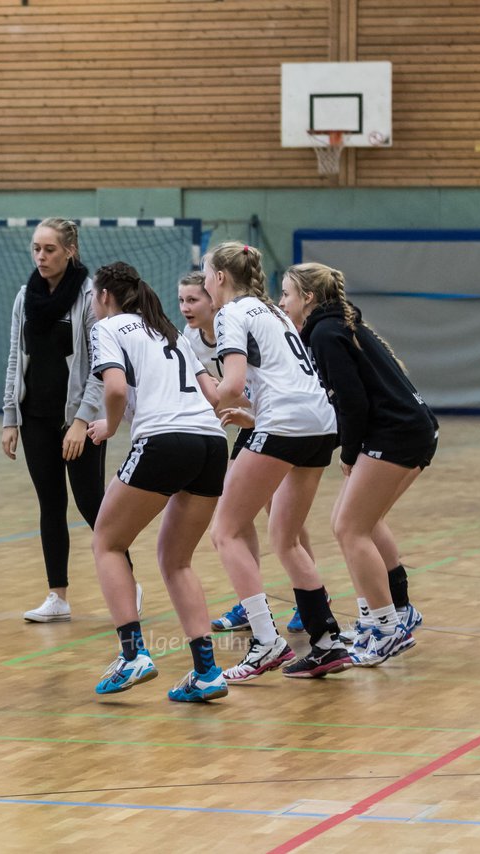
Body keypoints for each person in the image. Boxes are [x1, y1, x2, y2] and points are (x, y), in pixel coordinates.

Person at [205, 242, 351, 681]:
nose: (206, 282)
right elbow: (267, 385)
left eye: (206, 274)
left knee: (226, 531)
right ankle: (327, 641)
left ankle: (267, 642)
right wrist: (251, 410)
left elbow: (229, 386)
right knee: (285, 538)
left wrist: (194, 388)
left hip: (286, 424)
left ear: (220, 278)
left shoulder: (231, 314)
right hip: (321, 423)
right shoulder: (273, 312)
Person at [84, 263, 230, 702]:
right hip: (211, 442)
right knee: (176, 559)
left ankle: (133, 656)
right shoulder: (170, 331)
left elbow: (112, 389)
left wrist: (109, 426)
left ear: (105, 295)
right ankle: (206, 673)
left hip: (165, 441)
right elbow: (215, 394)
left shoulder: (108, 327)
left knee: (106, 541)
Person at [282, 262, 433, 665]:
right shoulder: (335, 327)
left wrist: (349, 453)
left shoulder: (327, 333)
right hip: (410, 430)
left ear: (308, 298)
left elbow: (352, 402)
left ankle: (387, 631)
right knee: (352, 523)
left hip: (396, 434)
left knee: (351, 528)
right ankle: (386, 615)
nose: (282, 303)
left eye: (286, 295)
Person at [1, 218, 138, 623]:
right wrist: (11, 417)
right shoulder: (24, 296)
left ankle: (128, 581)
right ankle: (56, 596)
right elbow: (15, 357)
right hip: (35, 418)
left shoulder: (89, 298)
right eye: (36, 249)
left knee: (91, 502)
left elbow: (101, 367)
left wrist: (81, 421)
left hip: (79, 420)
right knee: (50, 503)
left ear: (70, 250)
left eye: (50, 249)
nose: (41, 257)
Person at [180, 270, 318, 637]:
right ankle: (249, 600)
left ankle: (306, 602)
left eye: (194, 299)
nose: (186, 308)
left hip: (273, 418)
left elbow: (237, 386)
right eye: (181, 301)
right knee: (239, 516)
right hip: (248, 421)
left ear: (214, 294)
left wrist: (215, 396)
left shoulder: (239, 318)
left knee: (280, 513)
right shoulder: (191, 340)